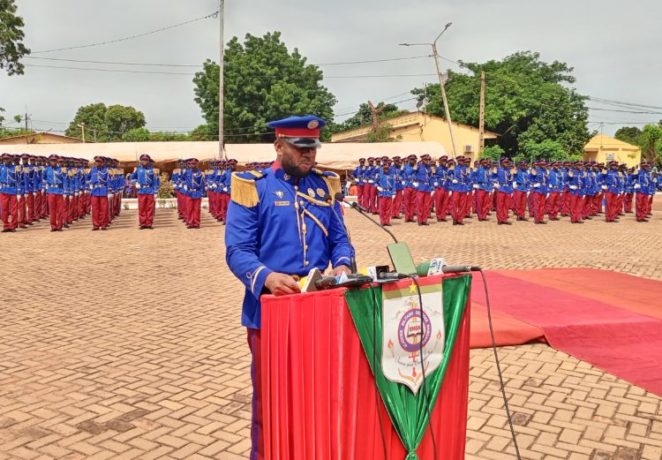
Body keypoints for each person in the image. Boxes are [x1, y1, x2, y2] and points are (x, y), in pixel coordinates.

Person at [225, 115, 354, 459]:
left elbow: (341, 241)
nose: (309, 156)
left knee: (318, 394)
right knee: (270, 400)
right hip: (271, 311)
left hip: (319, 305)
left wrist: (342, 263)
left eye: (313, 148)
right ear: (279, 146)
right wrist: (266, 276)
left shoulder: (324, 186)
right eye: (300, 149)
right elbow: (237, 251)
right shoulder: (253, 186)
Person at [131, 154, 159, 229]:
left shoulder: (152, 170)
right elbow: (132, 178)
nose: (144, 161)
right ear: (140, 161)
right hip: (141, 190)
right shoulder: (137, 169)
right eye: (143, 160)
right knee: (142, 207)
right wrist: (135, 183)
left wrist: (155, 191)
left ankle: (149, 223)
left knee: (150, 208)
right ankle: (142, 223)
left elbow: (155, 181)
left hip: (150, 190)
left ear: (149, 161)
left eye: (146, 160)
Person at [88, 156, 110, 230]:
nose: (97, 163)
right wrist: (90, 184)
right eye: (96, 161)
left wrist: (109, 190)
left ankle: (103, 224)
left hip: (103, 190)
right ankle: (96, 225)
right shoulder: (92, 170)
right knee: (95, 209)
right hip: (94, 191)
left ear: (103, 162)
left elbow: (109, 181)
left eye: (99, 162)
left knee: (104, 209)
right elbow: (87, 178)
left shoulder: (106, 170)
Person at [0, 154, 19, 232]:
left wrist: (19, 191)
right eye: (4, 159)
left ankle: (13, 225)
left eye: (7, 159)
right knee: (4, 209)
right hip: (4, 190)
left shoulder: (15, 168)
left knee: (13, 209)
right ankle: (6, 225)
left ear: (11, 159)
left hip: (13, 190)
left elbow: (19, 180)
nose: (6, 160)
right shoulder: (1, 168)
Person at [184, 158, 205, 229]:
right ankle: (190, 223)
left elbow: (202, 184)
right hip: (189, 192)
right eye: (189, 164)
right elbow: (183, 180)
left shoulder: (200, 173)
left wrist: (202, 193)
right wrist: (184, 189)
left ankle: (196, 223)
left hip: (197, 192)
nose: (191, 165)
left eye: (193, 164)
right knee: (189, 209)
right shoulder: (187, 172)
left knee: (197, 209)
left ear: (196, 164)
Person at [376, 157, 395, 226]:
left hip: (389, 193)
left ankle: (387, 221)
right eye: (385, 168)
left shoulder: (391, 175)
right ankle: (382, 221)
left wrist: (394, 193)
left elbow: (393, 184)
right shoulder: (380, 175)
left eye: (387, 168)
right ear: (382, 168)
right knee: (382, 209)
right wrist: (378, 187)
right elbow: (375, 182)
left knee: (388, 209)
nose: (386, 169)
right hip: (382, 193)